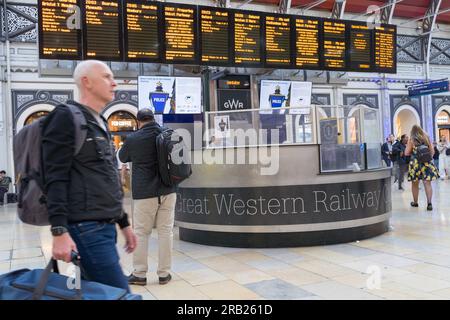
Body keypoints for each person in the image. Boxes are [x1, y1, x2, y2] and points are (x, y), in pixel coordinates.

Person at [42, 60, 137, 291]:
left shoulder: (99, 122)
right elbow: (54, 176)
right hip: (86, 228)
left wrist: (123, 223)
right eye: (106, 77)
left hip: (103, 226)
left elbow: (106, 177)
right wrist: (59, 231)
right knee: (120, 294)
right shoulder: (65, 117)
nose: (114, 82)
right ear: (86, 81)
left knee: (94, 293)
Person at [119, 108, 176, 286]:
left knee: (142, 233)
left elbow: (122, 156)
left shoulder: (134, 138)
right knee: (166, 231)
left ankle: (140, 274)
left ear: (138, 121)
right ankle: (164, 274)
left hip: (145, 193)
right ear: (153, 118)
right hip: (168, 190)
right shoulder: (167, 133)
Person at [405, 125, 439, 211]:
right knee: (427, 183)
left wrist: (414, 152)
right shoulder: (426, 137)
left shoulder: (412, 139)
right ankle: (429, 203)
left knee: (415, 184)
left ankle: (415, 202)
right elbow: (432, 151)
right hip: (426, 163)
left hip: (415, 164)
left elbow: (406, 153)